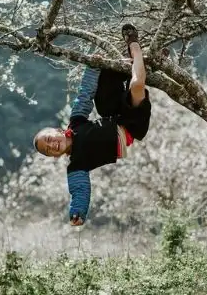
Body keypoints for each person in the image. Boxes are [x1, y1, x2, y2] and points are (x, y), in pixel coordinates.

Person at [32, 24, 152, 226]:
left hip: (114, 115)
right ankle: (135, 48)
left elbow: (85, 96)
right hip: (132, 127)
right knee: (136, 85)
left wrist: (92, 66)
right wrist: (77, 213)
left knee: (105, 75)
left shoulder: (76, 122)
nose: (52, 145)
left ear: (59, 131)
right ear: (54, 156)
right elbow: (80, 190)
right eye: (48, 149)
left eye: (49, 139)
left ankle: (141, 61)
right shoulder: (77, 163)